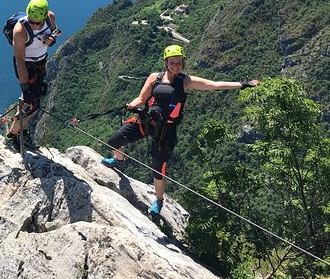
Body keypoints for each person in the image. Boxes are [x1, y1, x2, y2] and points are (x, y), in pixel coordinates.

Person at [101, 44, 259, 215]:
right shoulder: (155, 77)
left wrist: (242, 84)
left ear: (183, 63)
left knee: (158, 167)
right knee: (114, 140)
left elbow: (214, 85)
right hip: (148, 121)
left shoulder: (186, 81)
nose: (175, 65)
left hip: (166, 131)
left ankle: (159, 201)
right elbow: (142, 98)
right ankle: (119, 160)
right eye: (172, 62)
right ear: (166, 63)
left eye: (179, 62)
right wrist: (133, 104)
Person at [6, 0, 61, 151]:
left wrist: (52, 39)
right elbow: (20, 61)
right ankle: (12, 136)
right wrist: (25, 88)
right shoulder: (20, 30)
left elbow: (54, 31)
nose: (36, 26)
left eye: (39, 23)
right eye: (32, 21)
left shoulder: (50, 17)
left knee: (30, 104)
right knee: (31, 104)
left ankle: (22, 133)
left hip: (41, 63)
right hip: (27, 66)